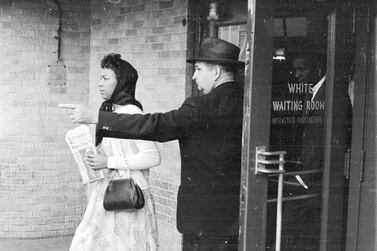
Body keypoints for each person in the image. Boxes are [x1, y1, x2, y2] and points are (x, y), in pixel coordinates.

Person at [61, 37, 245, 251]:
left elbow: (154, 125)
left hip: (202, 215)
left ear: (216, 72)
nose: (194, 76)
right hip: (238, 211)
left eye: (198, 69)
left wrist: (97, 118)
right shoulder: (249, 102)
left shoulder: (198, 106)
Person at [68, 53, 160, 251]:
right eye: (100, 78)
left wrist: (109, 161)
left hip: (129, 195)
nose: (100, 83)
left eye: (105, 78)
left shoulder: (133, 114)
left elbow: (152, 157)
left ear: (121, 83)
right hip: (106, 191)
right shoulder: (110, 113)